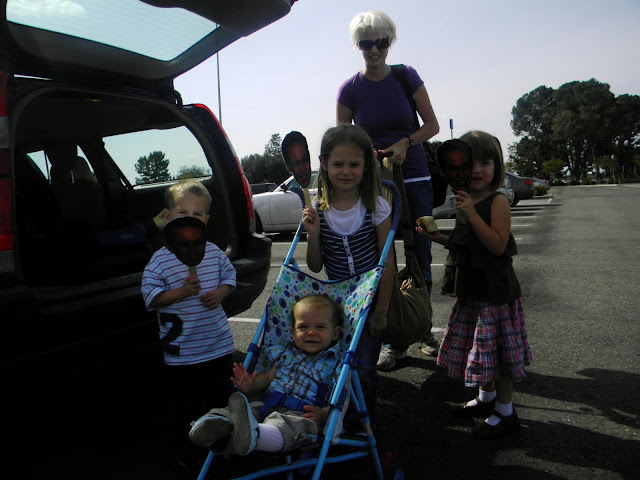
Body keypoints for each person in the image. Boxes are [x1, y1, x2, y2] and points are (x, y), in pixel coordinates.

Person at [336, 10, 440, 370]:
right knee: (380, 261)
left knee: (420, 254)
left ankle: (422, 327)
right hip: (374, 185)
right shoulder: (349, 89)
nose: (374, 49)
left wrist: (405, 143)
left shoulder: (405, 75)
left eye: (381, 41)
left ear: (389, 41)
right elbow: (343, 141)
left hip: (414, 178)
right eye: (366, 43)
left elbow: (432, 125)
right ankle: (392, 340)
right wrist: (365, 157)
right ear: (358, 46)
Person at [417, 131, 531, 439]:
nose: (476, 170)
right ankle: (486, 398)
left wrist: (469, 213)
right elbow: (466, 243)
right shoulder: (466, 199)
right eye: (470, 164)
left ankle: (505, 412)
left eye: (485, 163)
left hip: (495, 293)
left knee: (499, 355)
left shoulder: (497, 201)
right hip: (471, 290)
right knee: (481, 351)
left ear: (497, 166)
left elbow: (496, 245)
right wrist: (439, 237)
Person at [301, 124, 395, 424]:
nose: (345, 171)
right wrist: (313, 234)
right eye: (338, 164)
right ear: (324, 163)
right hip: (338, 306)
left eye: (354, 164)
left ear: (366, 165)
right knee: (340, 366)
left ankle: (361, 425)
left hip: (369, 304)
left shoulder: (376, 206)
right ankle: (338, 422)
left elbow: (387, 263)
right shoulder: (319, 209)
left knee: (364, 367)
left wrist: (381, 311)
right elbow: (315, 265)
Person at [141, 179, 237, 464]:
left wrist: (221, 292)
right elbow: (151, 298)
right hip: (182, 354)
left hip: (218, 346)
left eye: (197, 214)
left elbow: (229, 277)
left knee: (222, 400)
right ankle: (190, 452)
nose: (189, 219)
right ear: (168, 217)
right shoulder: (160, 261)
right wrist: (180, 293)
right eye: (183, 213)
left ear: (206, 221)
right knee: (186, 407)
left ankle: (225, 445)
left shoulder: (214, 253)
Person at [188, 294, 344, 455]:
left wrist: (324, 414)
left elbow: (341, 400)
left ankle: (255, 436)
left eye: (320, 327)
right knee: (245, 409)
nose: (311, 332)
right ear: (292, 333)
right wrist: (251, 385)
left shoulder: (336, 363)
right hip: (267, 404)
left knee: (287, 425)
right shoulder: (285, 354)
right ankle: (213, 424)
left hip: (301, 414)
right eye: (303, 327)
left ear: (335, 333)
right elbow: (268, 377)